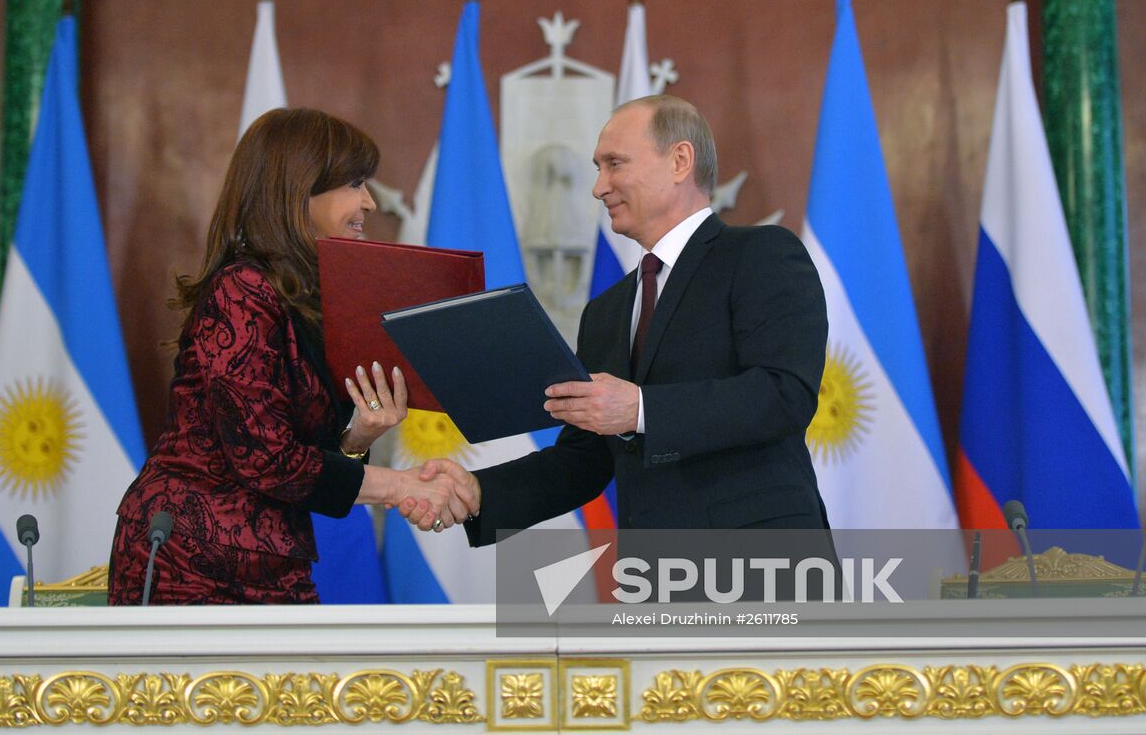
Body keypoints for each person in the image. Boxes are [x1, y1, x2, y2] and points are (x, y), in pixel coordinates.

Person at [407, 94, 830, 539]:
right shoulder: (605, 312)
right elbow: (585, 458)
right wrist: (478, 491)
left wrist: (641, 409)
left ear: (680, 160)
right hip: (655, 579)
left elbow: (785, 394)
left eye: (615, 163)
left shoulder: (760, 255)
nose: (599, 187)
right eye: (597, 168)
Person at [109, 108, 475, 604]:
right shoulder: (241, 290)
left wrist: (357, 436)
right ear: (299, 190)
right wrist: (399, 486)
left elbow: (294, 455)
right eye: (353, 183)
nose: (368, 201)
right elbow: (264, 459)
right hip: (193, 557)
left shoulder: (301, 298)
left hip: (271, 557)